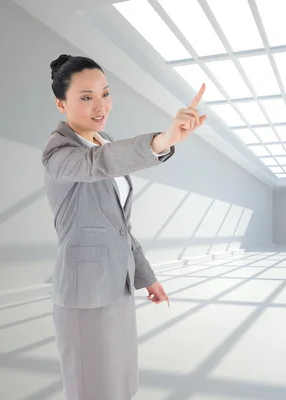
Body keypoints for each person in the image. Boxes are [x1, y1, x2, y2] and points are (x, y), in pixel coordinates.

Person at [42, 53, 206, 399]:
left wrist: (147, 278)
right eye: (85, 97)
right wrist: (163, 140)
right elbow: (96, 165)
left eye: (104, 93)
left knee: (119, 383)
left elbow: (119, 225)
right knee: (92, 389)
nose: (100, 105)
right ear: (61, 104)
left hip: (118, 286)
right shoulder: (59, 152)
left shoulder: (106, 140)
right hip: (84, 294)